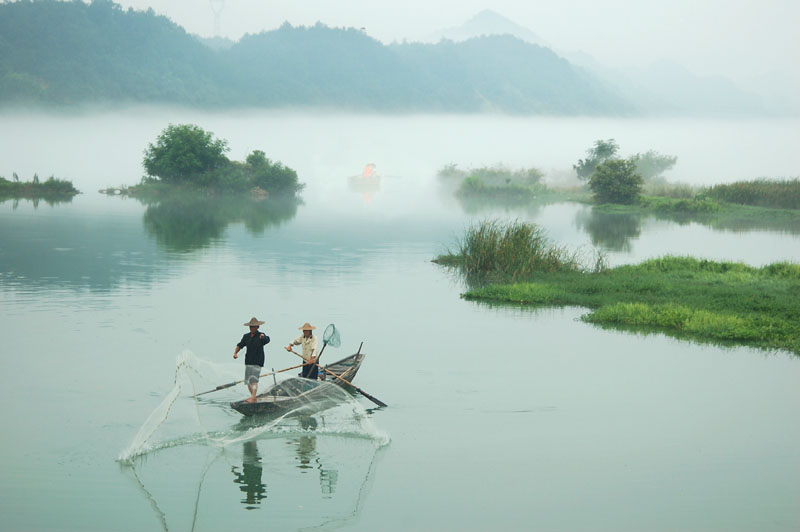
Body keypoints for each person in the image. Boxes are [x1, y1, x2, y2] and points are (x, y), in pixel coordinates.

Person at [234, 317, 270, 403]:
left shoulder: (261, 335)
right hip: (248, 361)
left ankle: (253, 398)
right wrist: (235, 353)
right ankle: (253, 396)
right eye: (250, 327)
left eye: (253, 327)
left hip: (257, 361)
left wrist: (263, 337)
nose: (252, 328)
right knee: (247, 381)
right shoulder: (246, 336)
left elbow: (267, 339)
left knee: (254, 380)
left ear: (257, 327)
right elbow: (240, 345)